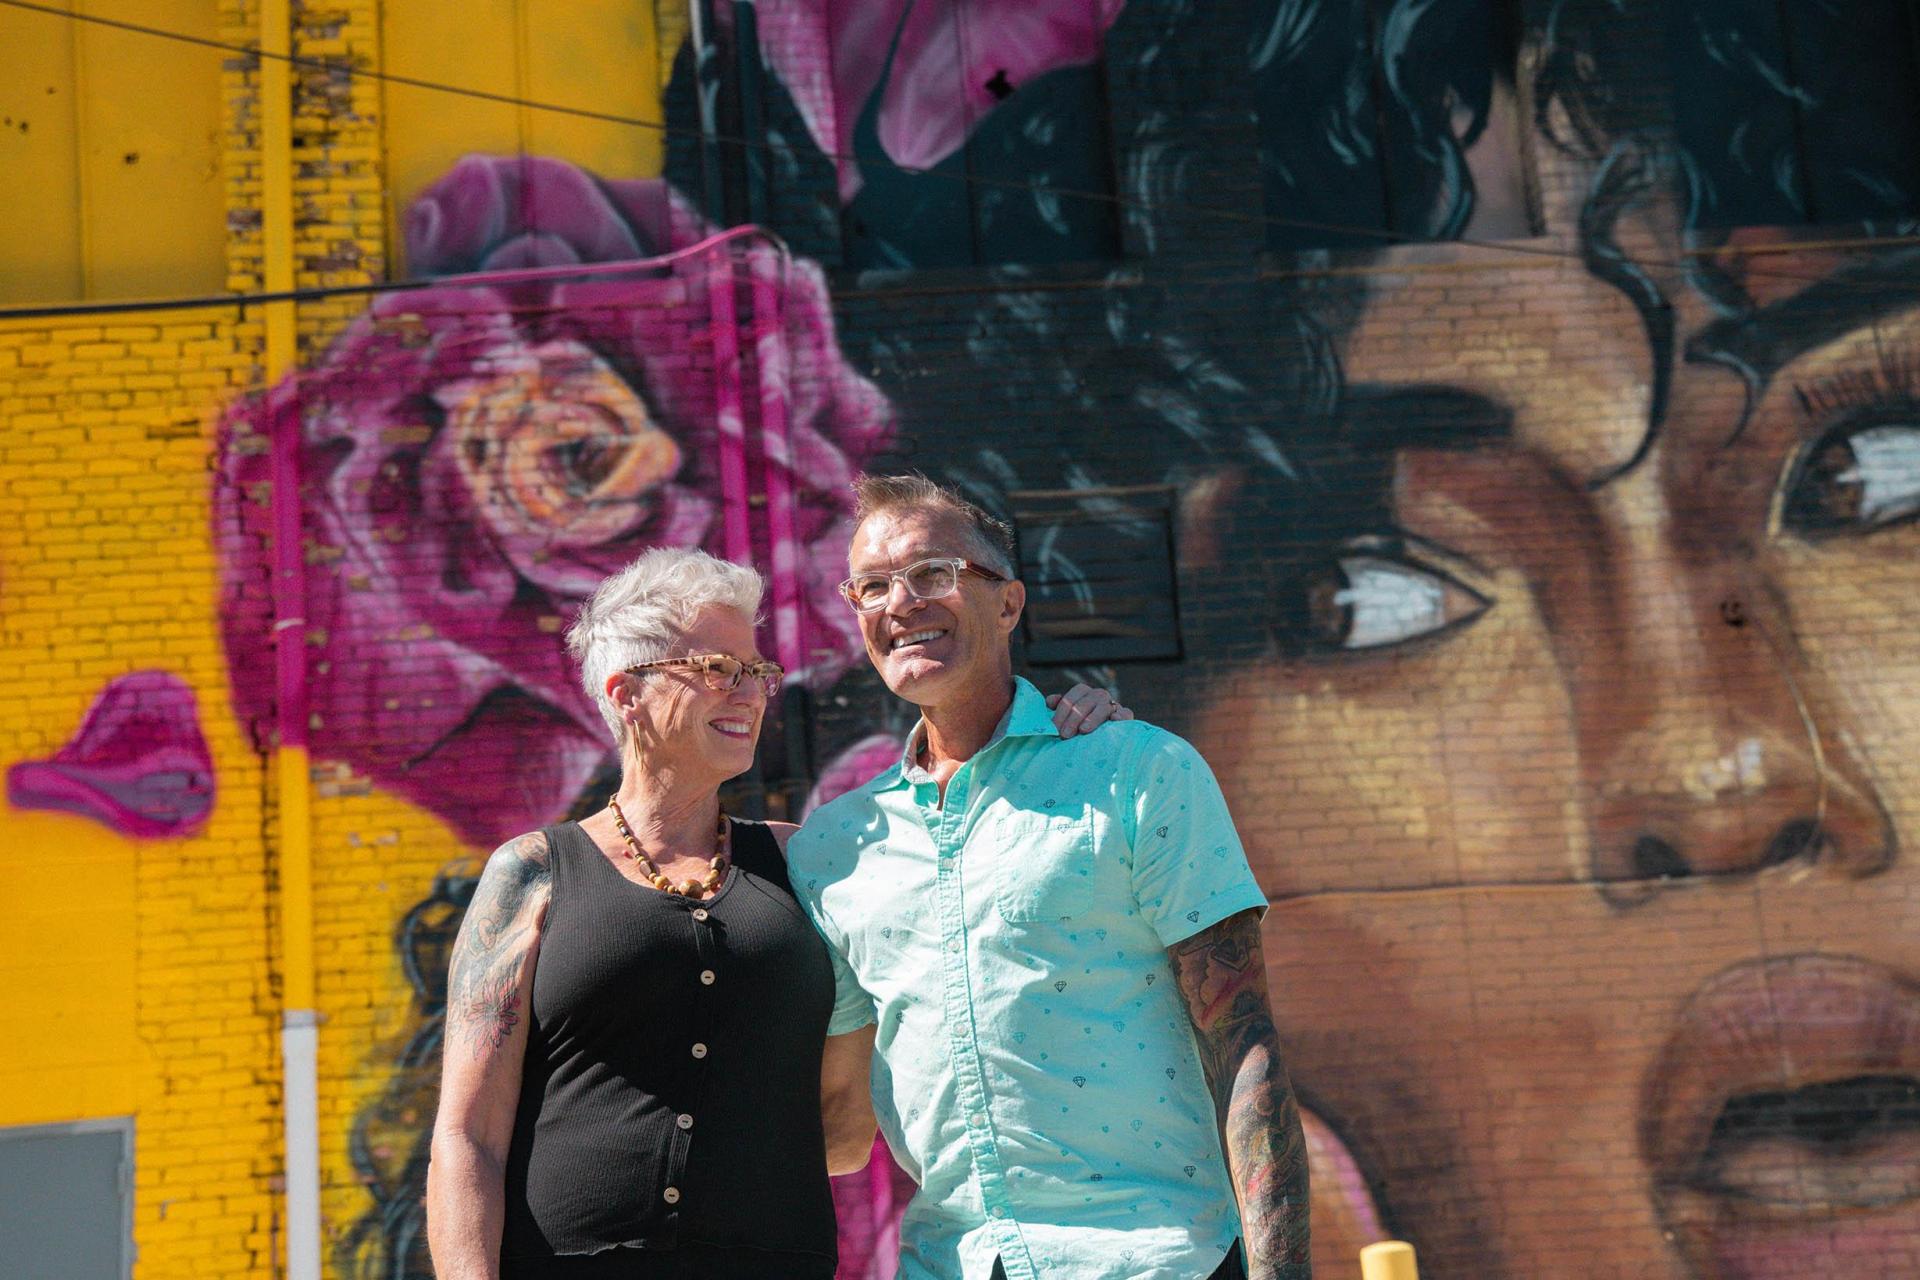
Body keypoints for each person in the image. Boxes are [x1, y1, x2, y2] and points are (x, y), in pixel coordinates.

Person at [424, 546, 1128, 1279]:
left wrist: (1067, 740)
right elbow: (468, 1135)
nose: (751, 694)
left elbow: (957, 866)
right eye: (717, 669)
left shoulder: (810, 863)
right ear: (627, 694)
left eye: (757, 671)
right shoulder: (533, 873)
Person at [787, 474, 1311, 1280]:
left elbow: (1245, 1045)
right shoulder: (836, 849)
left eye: (933, 573)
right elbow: (840, 1120)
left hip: (1153, 1257)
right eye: (873, 586)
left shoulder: (1135, 771)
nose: (902, 602)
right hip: (950, 1263)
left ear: (1009, 604)